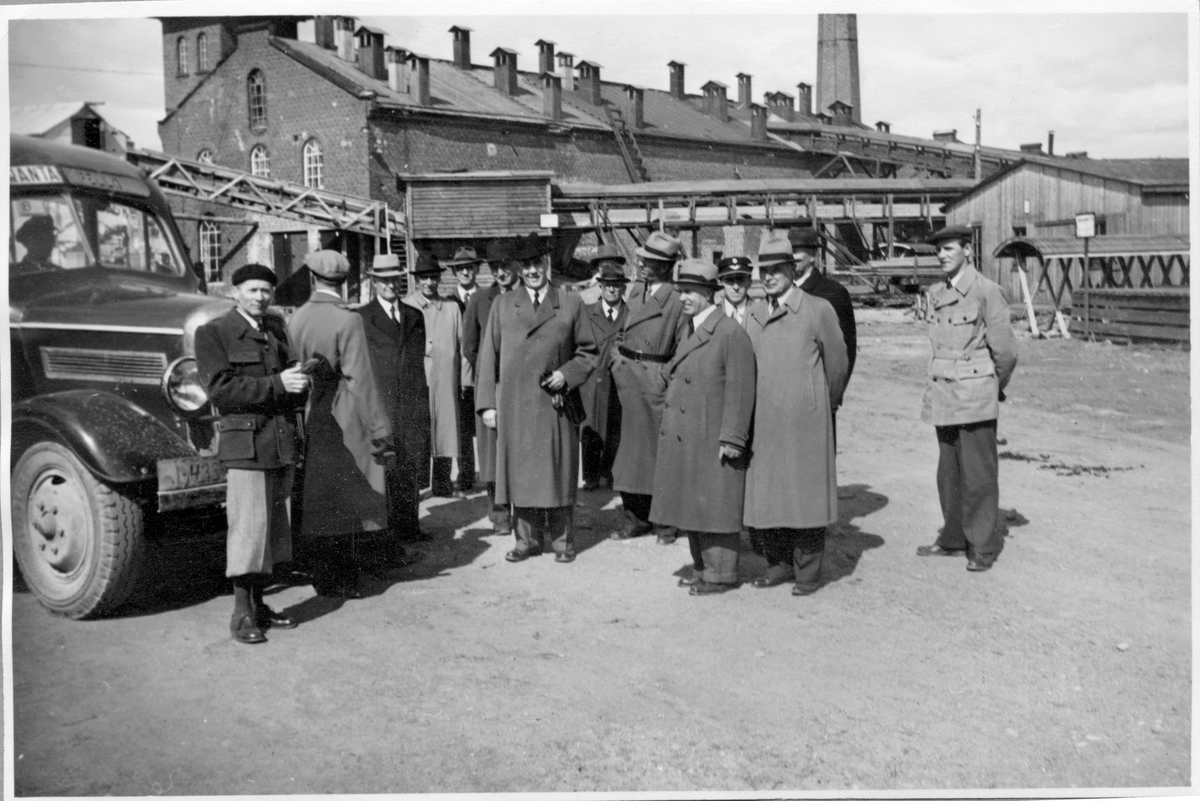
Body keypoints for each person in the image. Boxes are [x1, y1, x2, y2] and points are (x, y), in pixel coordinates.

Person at [195, 263, 308, 644]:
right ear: (236, 293)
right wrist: (279, 384)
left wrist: (300, 380)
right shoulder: (215, 332)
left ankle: (260, 606)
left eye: (266, 291)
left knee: (270, 531)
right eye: (253, 290)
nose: (260, 297)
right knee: (247, 530)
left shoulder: (274, 328)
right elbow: (221, 390)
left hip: (279, 443)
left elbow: (288, 375)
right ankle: (241, 613)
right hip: (246, 445)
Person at [476, 233, 598, 564]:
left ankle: (562, 541)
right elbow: (487, 357)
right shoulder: (503, 304)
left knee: (557, 472)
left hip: (554, 405)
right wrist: (487, 405)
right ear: (519, 268)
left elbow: (589, 352)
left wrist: (567, 375)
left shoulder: (570, 302)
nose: (532, 271)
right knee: (521, 473)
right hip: (515, 405)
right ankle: (525, 541)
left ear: (547, 263)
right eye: (526, 265)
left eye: (537, 263)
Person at [743, 236, 849, 596]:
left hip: (805, 423)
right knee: (769, 495)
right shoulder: (754, 313)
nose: (769, 276)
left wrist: (819, 404)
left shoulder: (817, 309)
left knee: (805, 498)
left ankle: (807, 572)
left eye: (777, 269)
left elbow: (837, 365)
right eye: (764, 270)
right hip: (763, 424)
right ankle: (778, 564)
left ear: (792, 269)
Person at [288, 250, 394, 598]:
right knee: (350, 495)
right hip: (345, 412)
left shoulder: (298, 317)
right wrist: (380, 429)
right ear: (344, 281)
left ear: (312, 277)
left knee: (320, 494)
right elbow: (360, 379)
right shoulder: (348, 320)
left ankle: (322, 573)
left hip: (312, 411)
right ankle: (344, 577)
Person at [649, 259, 756, 596]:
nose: (682, 297)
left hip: (712, 437)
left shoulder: (729, 333)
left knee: (715, 508)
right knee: (693, 505)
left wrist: (733, 438)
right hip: (690, 433)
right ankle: (702, 568)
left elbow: (741, 390)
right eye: (681, 291)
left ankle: (720, 574)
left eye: (690, 292)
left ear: (709, 294)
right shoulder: (692, 328)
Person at [916, 225, 1018, 572]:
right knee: (949, 475)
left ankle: (982, 546)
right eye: (938, 250)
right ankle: (953, 538)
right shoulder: (939, 292)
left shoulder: (987, 291)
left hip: (974, 396)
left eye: (949, 249)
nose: (942, 255)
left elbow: (1005, 353)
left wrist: (989, 387)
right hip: (944, 395)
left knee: (979, 476)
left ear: (968, 251)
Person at [608, 230, 688, 545]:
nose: (641, 264)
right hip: (626, 379)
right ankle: (635, 519)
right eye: (642, 259)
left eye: (649, 261)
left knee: (659, 457)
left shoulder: (676, 299)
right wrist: (616, 357)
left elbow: (684, 347)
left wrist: (662, 377)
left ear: (666, 266)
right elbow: (623, 329)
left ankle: (666, 524)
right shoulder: (637, 290)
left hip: (653, 384)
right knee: (629, 455)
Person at [357, 253, 432, 553]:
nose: (390, 285)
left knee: (410, 463)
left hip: (412, 402)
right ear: (374, 282)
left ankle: (410, 527)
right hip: (383, 403)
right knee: (387, 466)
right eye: (383, 280)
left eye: (394, 280)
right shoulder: (363, 317)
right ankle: (387, 537)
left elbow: (417, 361)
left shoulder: (414, 316)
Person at [462, 240, 518, 535]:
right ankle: (500, 517)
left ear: (516, 265)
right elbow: (469, 346)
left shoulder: (528, 296)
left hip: (523, 388)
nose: (500, 272)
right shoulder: (480, 299)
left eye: (505, 266)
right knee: (493, 456)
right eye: (494, 267)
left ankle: (527, 514)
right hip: (492, 387)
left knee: (522, 451)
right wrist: (489, 369)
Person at [404, 253, 463, 497]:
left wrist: (462, 381)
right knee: (419, 431)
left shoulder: (451, 308)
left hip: (446, 379)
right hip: (418, 380)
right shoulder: (406, 306)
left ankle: (442, 483)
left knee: (446, 430)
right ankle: (417, 486)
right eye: (424, 278)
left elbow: (461, 346)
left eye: (433, 277)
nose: (429, 282)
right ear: (416, 280)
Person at [580, 244, 629, 491]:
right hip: (592, 380)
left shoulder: (631, 315)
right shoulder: (588, 313)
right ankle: (590, 476)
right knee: (590, 428)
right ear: (600, 286)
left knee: (615, 429)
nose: (611, 289)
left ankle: (610, 473)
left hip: (619, 383)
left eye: (616, 285)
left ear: (623, 287)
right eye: (607, 285)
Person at [789, 226, 858, 389]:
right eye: (788, 252)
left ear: (813, 255)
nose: (791, 257)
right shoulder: (781, 292)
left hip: (818, 391)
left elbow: (846, 350)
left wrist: (832, 396)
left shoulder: (834, 293)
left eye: (796, 252)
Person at [445, 246, 482, 494]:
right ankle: (466, 474)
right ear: (455, 272)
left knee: (488, 424)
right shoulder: (448, 302)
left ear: (477, 269)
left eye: (469, 267)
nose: (465, 272)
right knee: (462, 429)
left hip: (483, 371)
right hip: (459, 375)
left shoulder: (488, 297)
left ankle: (493, 475)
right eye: (460, 268)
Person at [716, 255, 754, 328]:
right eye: (729, 280)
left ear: (750, 282)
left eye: (741, 280)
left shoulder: (762, 311)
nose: (736, 287)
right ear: (720, 283)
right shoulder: (713, 312)